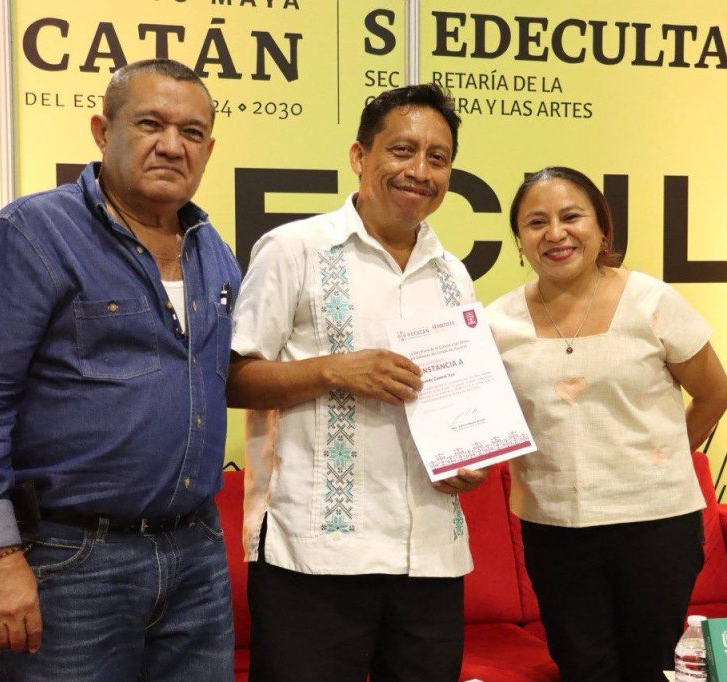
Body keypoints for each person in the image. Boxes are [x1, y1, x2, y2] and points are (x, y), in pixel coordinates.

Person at [0, 59, 239, 681]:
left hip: (196, 555)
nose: (172, 146)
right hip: (70, 561)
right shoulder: (33, 233)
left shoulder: (212, 250)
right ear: (103, 132)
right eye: (150, 124)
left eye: (192, 132)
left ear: (209, 149)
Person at [226, 83, 487, 682]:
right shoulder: (294, 249)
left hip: (432, 555)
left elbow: (459, 402)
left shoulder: (453, 275)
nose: (420, 171)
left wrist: (469, 459)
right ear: (360, 156)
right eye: (402, 150)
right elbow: (233, 379)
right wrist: (333, 370)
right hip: (313, 554)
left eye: (438, 157)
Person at [486, 167, 727, 682]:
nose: (555, 233)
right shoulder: (497, 323)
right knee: (583, 668)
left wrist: (659, 460)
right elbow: (483, 420)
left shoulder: (652, 302)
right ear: (520, 242)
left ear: (602, 228)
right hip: (554, 529)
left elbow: (715, 393)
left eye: (571, 217)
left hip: (657, 525)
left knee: (650, 668)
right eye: (536, 223)